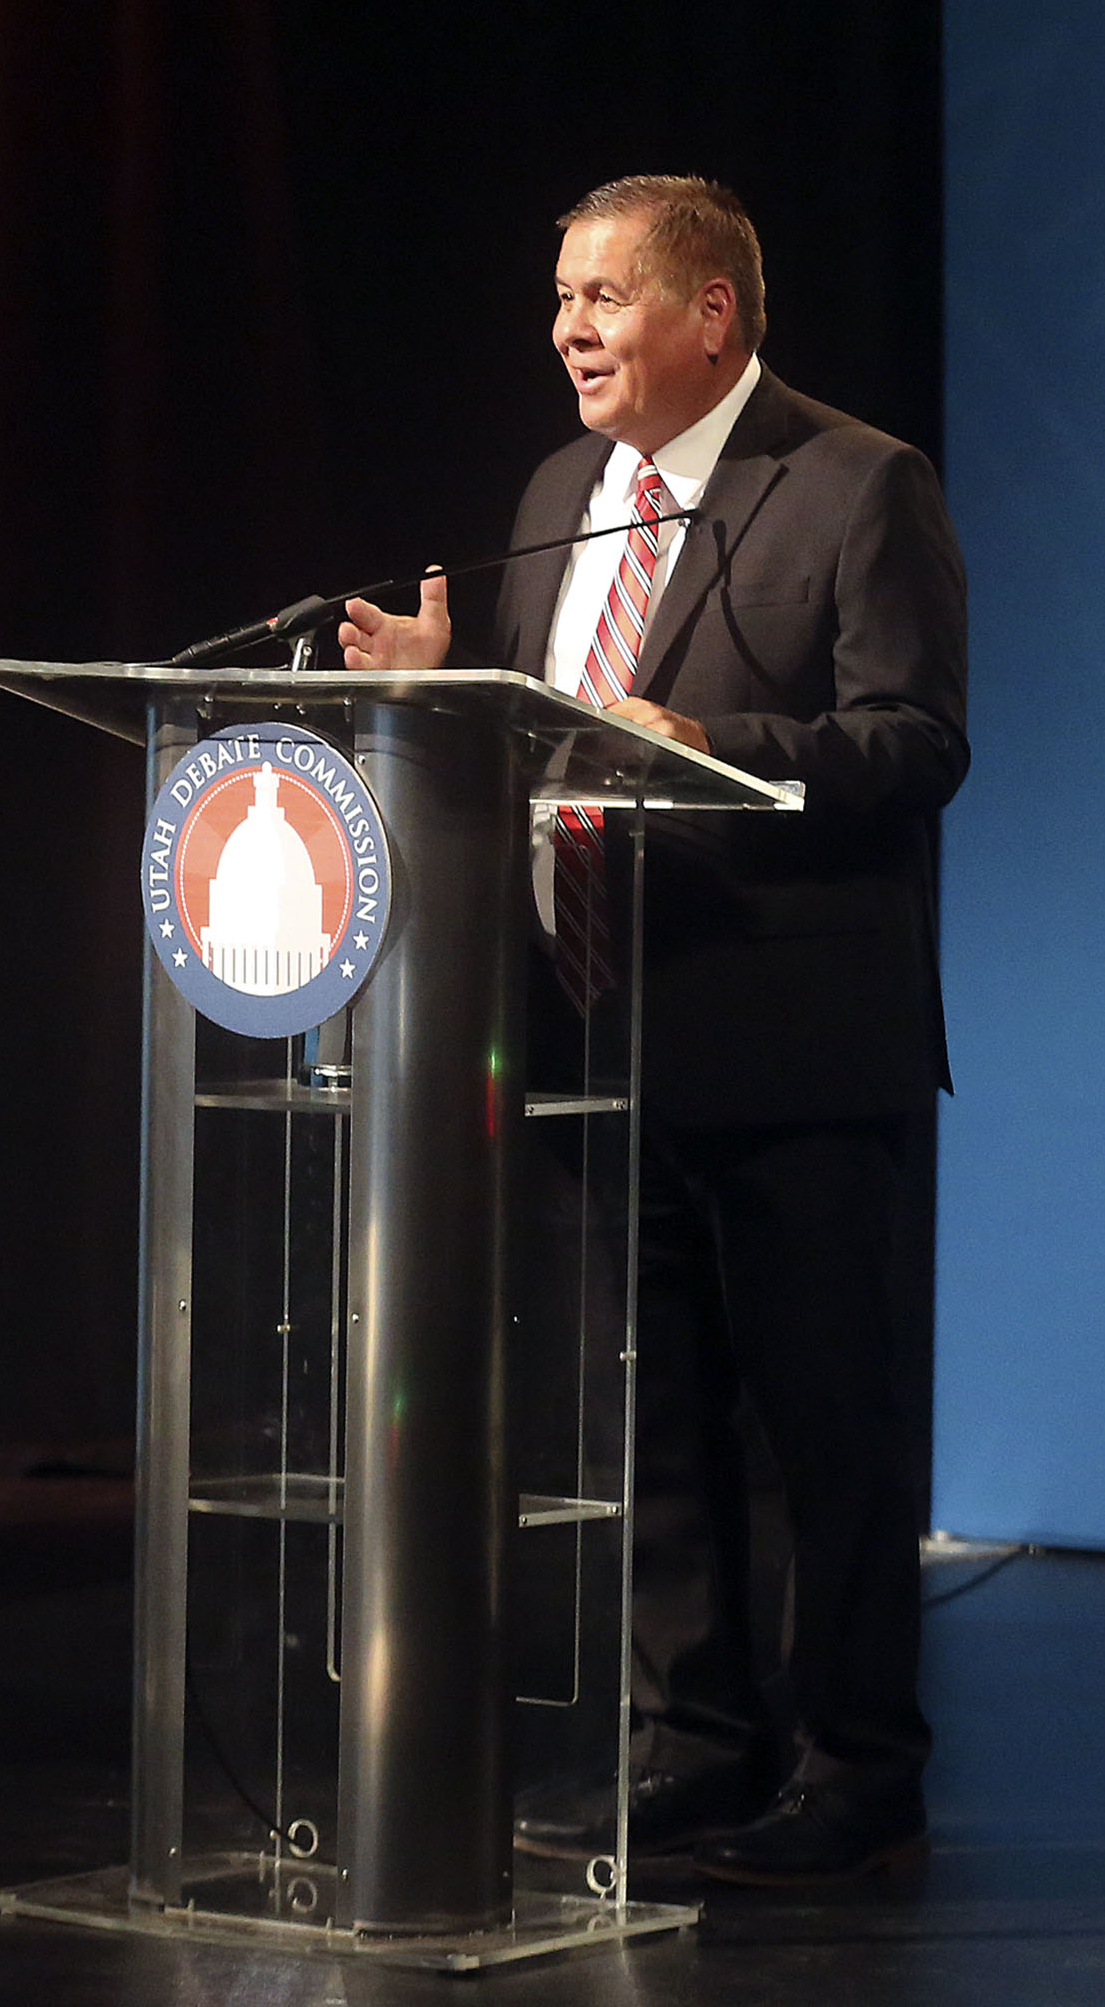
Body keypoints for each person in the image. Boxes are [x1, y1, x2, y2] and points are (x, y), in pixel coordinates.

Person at [338, 174, 967, 1884]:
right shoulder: (567, 493)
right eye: (560, 302)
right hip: (598, 1035)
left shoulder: (853, 482)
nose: (568, 332)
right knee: (650, 1421)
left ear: (714, 314)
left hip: (792, 1041)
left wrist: (707, 741)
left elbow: (914, 744)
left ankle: (859, 1762)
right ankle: (692, 1736)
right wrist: (445, 694)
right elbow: (553, 745)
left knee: (827, 1436)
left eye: (604, 299)